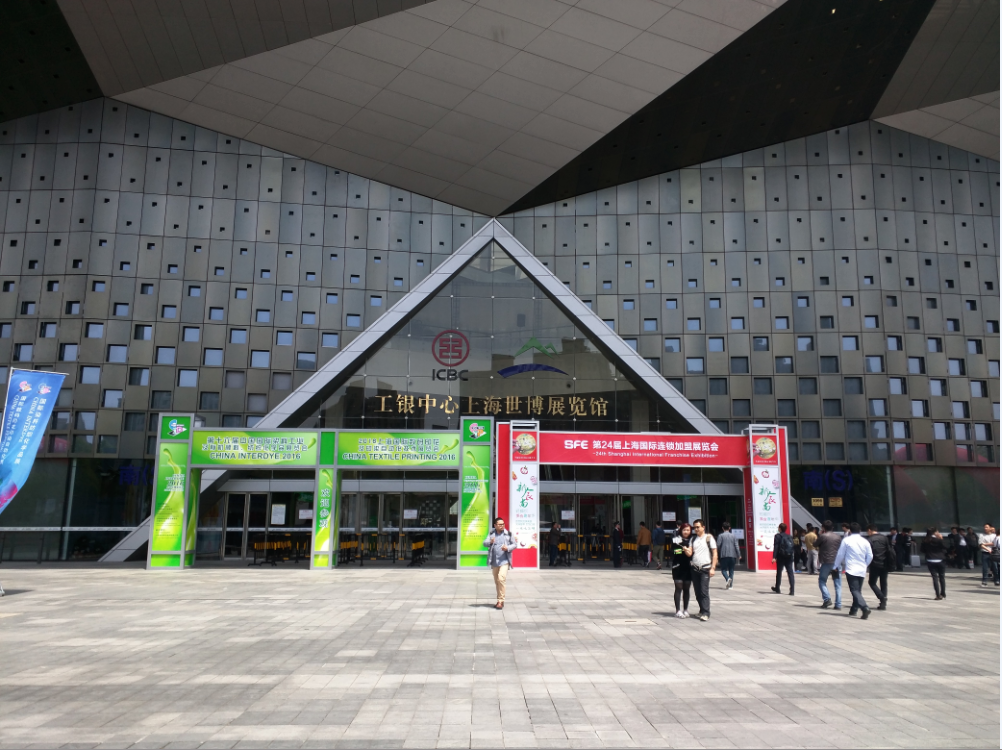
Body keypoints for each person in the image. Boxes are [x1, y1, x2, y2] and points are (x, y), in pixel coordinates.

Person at [834, 522, 873, 619]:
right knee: (857, 590)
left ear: (850, 531)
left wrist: (835, 565)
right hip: (862, 569)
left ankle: (864, 607)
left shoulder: (846, 540)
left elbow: (840, 554)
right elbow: (870, 556)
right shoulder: (865, 541)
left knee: (854, 590)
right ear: (860, 530)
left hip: (851, 568)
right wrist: (865, 565)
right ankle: (854, 610)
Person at [684, 519, 717, 622]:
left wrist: (713, 568)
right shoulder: (693, 539)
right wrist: (686, 550)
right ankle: (702, 610)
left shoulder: (709, 538)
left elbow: (715, 553)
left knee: (704, 591)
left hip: (705, 568)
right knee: (697, 592)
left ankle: (706, 613)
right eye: (694, 527)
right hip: (695, 568)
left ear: (703, 527)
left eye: (698, 527)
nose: (696, 529)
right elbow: (690, 553)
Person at [484, 517, 515, 610]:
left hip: (504, 561)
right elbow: (484, 543)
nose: (502, 526)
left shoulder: (508, 534)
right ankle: (499, 599)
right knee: (497, 581)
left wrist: (508, 548)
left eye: (503, 524)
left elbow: (515, 544)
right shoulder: (491, 534)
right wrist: (490, 542)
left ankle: (500, 601)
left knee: (501, 579)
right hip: (494, 561)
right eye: (500, 524)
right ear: (495, 525)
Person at [866, 524, 894, 610]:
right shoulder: (884, 538)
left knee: (872, 582)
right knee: (883, 583)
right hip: (885, 563)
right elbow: (889, 550)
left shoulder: (870, 540)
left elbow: (868, 553)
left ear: (870, 530)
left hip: (875, 564)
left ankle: (882, 597)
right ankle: (883, 604)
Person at [817, 520, 843, 609]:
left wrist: (820, 534)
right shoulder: (838, 537)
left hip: (826, 562)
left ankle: (827, 598)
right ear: (832, 527)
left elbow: (815, 544)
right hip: (836, 562)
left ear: (823, 528)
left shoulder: (823, 536)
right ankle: (838, 604)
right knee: (837, 584)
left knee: (822, 581)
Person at [669, 523, 693, 617]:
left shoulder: (692, 540)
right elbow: (672, 551)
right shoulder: (676, 539)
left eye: (688, 530)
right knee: (678, 588)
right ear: (681, 530)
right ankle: (678, 610)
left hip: (688, 567)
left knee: (687, 588)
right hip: (678, 566)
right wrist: (682, 550)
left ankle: (686, 609)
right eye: (684, 530)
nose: (686, 532)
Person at [921, 528, 947, 600]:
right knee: (942, 577)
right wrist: (941, 539)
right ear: (934, 533)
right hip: (940, 560)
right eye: (937, 531)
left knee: (934, 577)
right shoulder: (939, 540)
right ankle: (943, 593)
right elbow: (945, 547)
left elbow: (922, 550)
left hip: (930, 560)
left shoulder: (925, 540)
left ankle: (937, 595)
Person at [771, 522, 796, 595]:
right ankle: (792, 590)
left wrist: (774, 557)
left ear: (780, 528)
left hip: (781, 556)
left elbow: (776, 547)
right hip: (789, 556)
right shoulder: (789, 536)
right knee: (790, 573)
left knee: (779, 572)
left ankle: (777, 588)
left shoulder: (777, 536)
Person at [716, 521, 741, 589]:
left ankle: (727, 578)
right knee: (731, 570)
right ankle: (731, 586)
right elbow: (736, 546)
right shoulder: (733, 536)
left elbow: (718, 545)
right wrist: (739, 554)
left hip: (724, 555)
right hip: (733, 555)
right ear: (729, 528)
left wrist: (716, 553)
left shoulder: (720, 536)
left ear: (722, 528)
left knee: (723, 570)